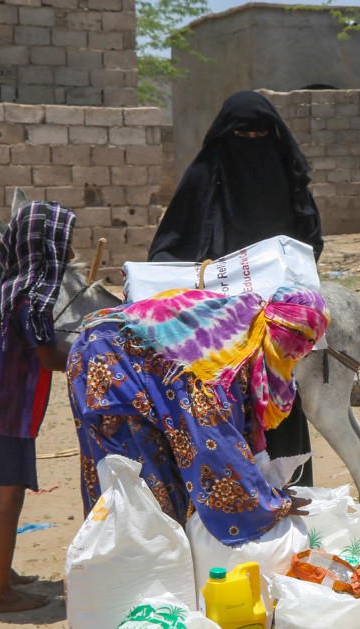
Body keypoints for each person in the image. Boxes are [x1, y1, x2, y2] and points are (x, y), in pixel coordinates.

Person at [147, 90, 324, 487]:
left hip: (274, 331)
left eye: (260, 136)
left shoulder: (288, 178)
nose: (251, 146)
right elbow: (167, 248)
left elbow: (310, 244)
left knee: (280, 413)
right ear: (225, 138)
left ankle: (289, 497)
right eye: (241, 137)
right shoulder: (204, 177)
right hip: (216, 334)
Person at [66, 285, 330, 543]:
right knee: (137, 484)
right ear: (280, 327)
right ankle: (140, 573)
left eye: (310, 343)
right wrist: (270, 504)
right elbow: (210, 444)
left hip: (123, 354)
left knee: (156, 483)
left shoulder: (251, 325)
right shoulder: (219, 358)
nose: (301, 351)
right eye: (300, 339)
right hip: (109, 362)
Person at [0, 200, 76, 614]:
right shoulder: (32, 298)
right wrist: (95, 352)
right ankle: (0, 594)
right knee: (7, 497)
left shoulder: (10, 286)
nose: (70, 251)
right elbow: (48, 357)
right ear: (46, 245)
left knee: (12, 491)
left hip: (0, 403)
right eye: (64, 241)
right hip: (10, 410)